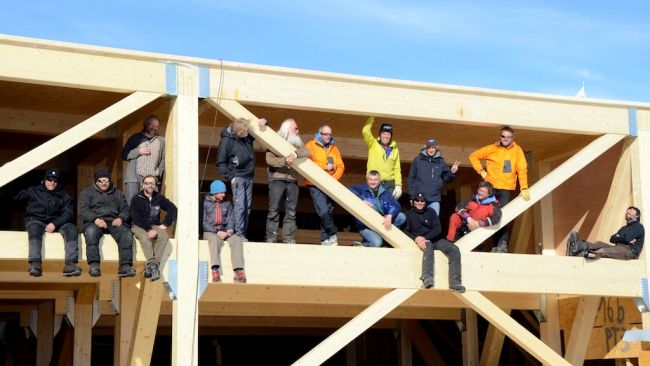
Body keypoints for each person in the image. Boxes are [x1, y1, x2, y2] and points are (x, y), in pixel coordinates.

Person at [469, 126, 529, 253]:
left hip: (505, 188)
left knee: (502, 216)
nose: (506, 139)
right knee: (484, 214)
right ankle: (480, 243)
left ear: (513, 138)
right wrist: (482, 172)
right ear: (499, 136)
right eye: (503, 136)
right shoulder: (491, 149)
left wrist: (524, 187)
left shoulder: (517, 150)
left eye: (509, 137)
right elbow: (473, 156)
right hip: (490, 188)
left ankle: (501, 245)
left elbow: (522, 169)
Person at [14, 168, 81, 277]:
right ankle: (35, 264)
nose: (52, 183)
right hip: (37, 220)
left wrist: (55, 223)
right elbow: (15, 195)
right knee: (34, 228)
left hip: (57, 223)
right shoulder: (33, 191)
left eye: (55, 181)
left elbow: (68, 213)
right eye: (50, 180)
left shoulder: (64, 195)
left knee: (71, 228)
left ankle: (70, 264)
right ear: (44, 180)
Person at [215, 117, 267, 240]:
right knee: (240, 206)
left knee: (247, 206)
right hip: (238, 177)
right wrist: (230, 177)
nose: (248, 133)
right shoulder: (227, 141)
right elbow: (220, 163)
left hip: (249, 176)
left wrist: (265, 121)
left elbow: (259, 129)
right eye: (246, 131)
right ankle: (239, 234)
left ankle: (242, 232)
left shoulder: (246, 136)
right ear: (239, 131)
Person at [78, 167, 136, 277]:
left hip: (114, 221)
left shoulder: (118, 193)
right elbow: (83, 210)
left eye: (107, 180)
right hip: (95, 221)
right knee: (90, 232)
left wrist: (121, 218)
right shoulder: (86, 193)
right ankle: (94, 265)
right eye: (101, 181)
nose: (104, 183)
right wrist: (95, 219)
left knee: (126, 233)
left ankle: (125, 266)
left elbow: (125, 209)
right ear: (96, 181)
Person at [403, 193, 465, 292]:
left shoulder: (431, 212)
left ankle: (455, 283)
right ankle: (427, 278)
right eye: (417, 200)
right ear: (413, 202)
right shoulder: (408, 214)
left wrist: (425, 237)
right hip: (421, 241)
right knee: (428, 247)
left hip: (434, 238)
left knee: (454, 249)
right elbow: (405, 231)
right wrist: (416, 239)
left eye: (422, 200)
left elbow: (438, 228)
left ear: (425, 202)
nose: (420, 202)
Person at [265, 118, 311, 244]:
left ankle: (288, 237)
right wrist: (284, 161)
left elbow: (307, 151)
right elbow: (269, 160)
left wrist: (295, 155)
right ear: (287, 129)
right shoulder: (273, 140)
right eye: (295, 128)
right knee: (273, 209)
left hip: (292, 180)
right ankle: (271, 236)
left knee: (291, 211)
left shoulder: (296, 141)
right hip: (277, 179)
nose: (298, 130)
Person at [129, 175, 177, 281]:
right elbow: (135, 217)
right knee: (145, 238)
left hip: (153, 224)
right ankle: (152, 264)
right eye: (147, 183)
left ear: (155, 185)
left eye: (152, 183)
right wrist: (149, 230)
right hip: (138, 225)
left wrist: (165, 224)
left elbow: (173, 208)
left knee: (164, 236)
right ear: (142, 185)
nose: (150, 186)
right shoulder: (136, 198)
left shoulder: (159, 197)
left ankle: (152, 267)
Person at [305, 124, 345, 245]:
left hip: (330, 185)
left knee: (328, 211)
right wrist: (324, 166)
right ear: (320, 134)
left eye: (329, 134)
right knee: (322, 211)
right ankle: (332, 232)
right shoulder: (310, 145)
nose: (328, 136)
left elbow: (341, 166)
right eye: (325, 134)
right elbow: (307, 163)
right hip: (315, 183)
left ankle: (325, 239)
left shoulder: (334, 149)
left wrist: (333, 179)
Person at [203, 180, 247, 283]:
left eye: (224, 192)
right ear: (215, 193)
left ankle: (238, 270)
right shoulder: (205, 203)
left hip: (224, 230)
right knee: (214, 240)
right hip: (211, 231)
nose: (224, 194)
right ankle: (215, 269)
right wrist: (216, 232)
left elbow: (231, 219)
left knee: (236, 239)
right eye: (221, 192)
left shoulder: (227, 203)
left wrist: (230, 230)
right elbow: (203, 223)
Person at [349, 170, 406, 247]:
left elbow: (396, 205)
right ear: (367, 180)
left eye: (375, 180)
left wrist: (390, 215)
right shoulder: (361, 189)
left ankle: (383, 237)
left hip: (380, 224)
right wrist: (362, 200)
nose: (373, 182)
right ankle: (362, 245)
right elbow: (348, 190)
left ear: (379, 181)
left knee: (401, 217)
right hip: (365, 227)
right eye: (371, 179)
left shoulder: (385, 193)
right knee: (377, 243)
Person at [567, 207, 644, 260]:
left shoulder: (638, 226)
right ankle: (579, 245)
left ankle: (582, 254)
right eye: (628, 210)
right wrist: (622, 238)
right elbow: (612, 239)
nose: (628, 211)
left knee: (604, 250)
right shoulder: (623, 228)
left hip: (629, 251)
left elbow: (626, 238)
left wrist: (619, 237)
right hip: (619, 247)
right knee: (599, 243)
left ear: (637, 215)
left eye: (631, 210)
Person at [407, 138, 460, 215]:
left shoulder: (441, 162)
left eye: (433, 147)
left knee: (433, 223)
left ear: (437, 147)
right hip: (419, 199)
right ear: (425, 147)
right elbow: (411, 178)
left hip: (434, 199)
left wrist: (452, 172)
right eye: (429, 147)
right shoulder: (418, 160)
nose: (431, 150)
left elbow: (446, 179)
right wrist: (412, 197)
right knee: (418, 223)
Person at [122, 115, 166, 204]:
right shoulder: (135, 138)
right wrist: (138, 151)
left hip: (152, 177)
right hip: (135, 177)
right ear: (145, 124)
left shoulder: (161, 141)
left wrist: (158, 175)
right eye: (152, 125)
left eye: (156, 126)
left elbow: (163, 159)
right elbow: (124, 155)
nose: (154, 128)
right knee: (133, 204)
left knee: (152, 205)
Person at [362, 116, 402, 199]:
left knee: (388, 207)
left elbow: (397, 169)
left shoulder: (394, 149)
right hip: (374, 182)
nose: (386, 136)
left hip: (389, 184)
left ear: (391, 136)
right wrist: (371, 117)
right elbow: (365, 131)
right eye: (384, 133)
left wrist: (398, 185)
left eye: (388, 134)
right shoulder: (373, 143)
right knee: (373, 208)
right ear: (380, 134)